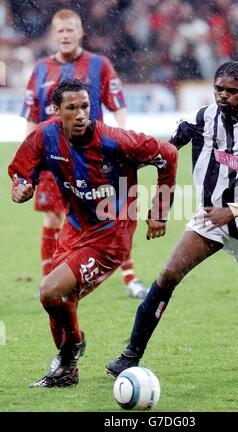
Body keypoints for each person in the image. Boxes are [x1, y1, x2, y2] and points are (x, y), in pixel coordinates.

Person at [106, 61, 238, 378]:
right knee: (168, 275)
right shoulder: (203, 118)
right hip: (212, 217)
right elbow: (166, 150)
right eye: (218, 89)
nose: (223, 96)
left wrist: (232, 211)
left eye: (232, 91)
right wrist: (133, 166)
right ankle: (130, 355)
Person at [8, 78, 177, 387]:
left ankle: (72, 346)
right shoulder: (44, 137)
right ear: (57, 111)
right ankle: (67, 371)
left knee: (49, 292)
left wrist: (160, 212)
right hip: (73, 230)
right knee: (60, 300)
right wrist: (21, 187)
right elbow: (21, 173)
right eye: (72, 108)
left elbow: (168, 154)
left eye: (85, 106)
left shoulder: (116, 141)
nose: (81, 114)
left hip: (110, 236)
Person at [21, 8, 148, 299]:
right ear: (53, 35)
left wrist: (120, 142)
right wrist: (32, 158)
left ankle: (130, 279)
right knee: (53, 219)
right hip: (54, 160)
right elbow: (31, 115)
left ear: (81, 32)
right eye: (60, 31)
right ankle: (51, 282)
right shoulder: (40, 69)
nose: (65, 36)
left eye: (71, 30)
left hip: (94, 160)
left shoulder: (99, 64)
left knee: (111, 217)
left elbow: (118, 105)